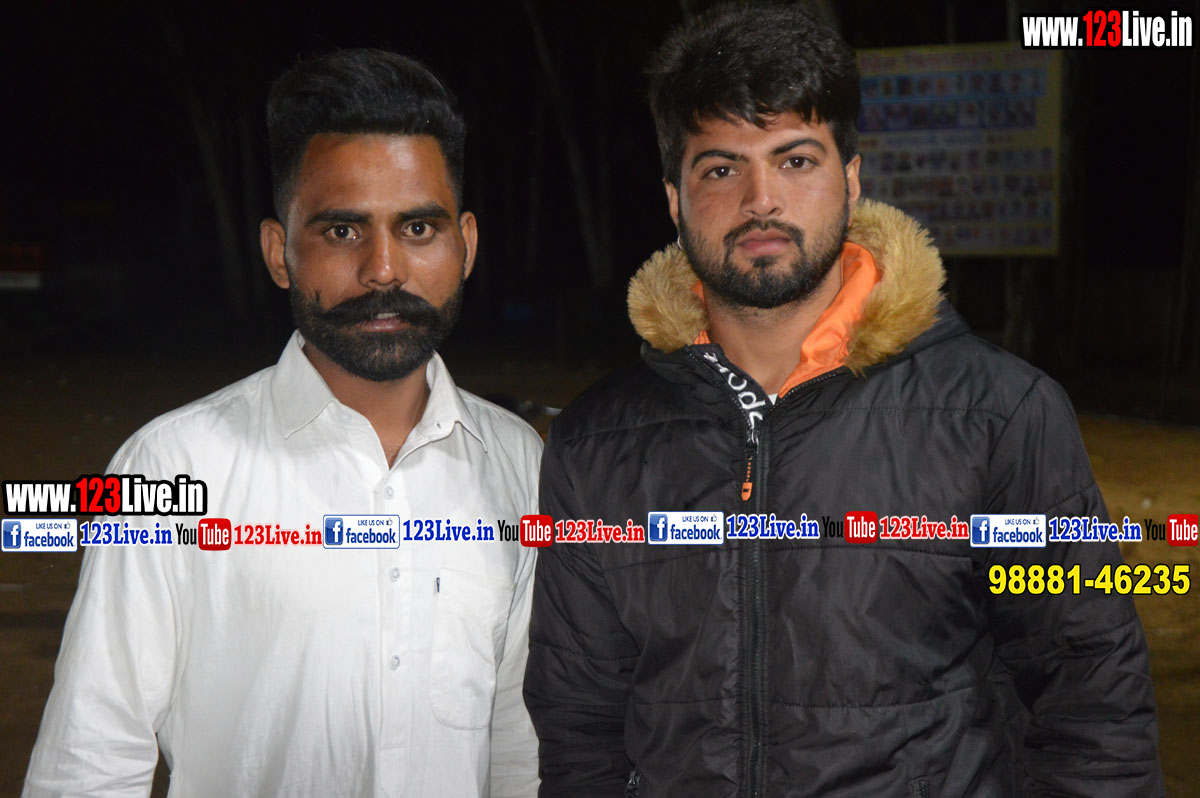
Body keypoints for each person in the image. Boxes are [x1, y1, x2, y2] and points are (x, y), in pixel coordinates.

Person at [524, 5, 1162, 796]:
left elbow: (1093, 703)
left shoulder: (1000, 415)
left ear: (852, 181)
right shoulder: (596, 442)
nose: (761, 199)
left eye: (796, 160)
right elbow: (579, 732)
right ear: (674, 199)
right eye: (720, 169)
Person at [25, 49, 540, 798]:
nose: (384, 268)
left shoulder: (520, 464)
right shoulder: (169, 468)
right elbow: (92, 758)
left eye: (418, 227)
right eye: (342, 232)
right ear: (278, 252)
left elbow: (521, 750)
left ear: (465, 245)